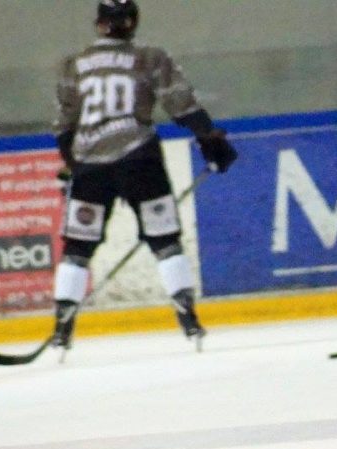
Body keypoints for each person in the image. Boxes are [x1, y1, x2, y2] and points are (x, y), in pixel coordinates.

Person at [51, 0, 237, 350]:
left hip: (90, 165)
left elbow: (64, 124)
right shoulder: (150, 57)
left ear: (99, 24)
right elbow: (182, 104)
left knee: (77, 247)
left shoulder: (72, 64)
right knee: (165, 239)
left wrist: (73, 164)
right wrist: (209, 139)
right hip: (141, 159)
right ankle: (188, 318)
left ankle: (62, 327)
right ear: (133, 22)